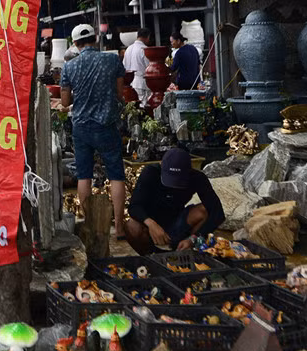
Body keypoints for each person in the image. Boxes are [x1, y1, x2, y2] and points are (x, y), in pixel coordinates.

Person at [59, 24, 127, 239]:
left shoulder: (69, 67)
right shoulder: (112, 60)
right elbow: (119, 93)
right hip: (107, 125)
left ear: (76, 44)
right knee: (116, 176)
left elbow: (65, 101)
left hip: (82, 128)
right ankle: (120, 228)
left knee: (84, 176)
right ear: (95, 39)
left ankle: (89, 225)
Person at [125, 147, 225, 254]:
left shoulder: (197, 178)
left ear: (189, 171)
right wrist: (150, 223)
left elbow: (217, 213)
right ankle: (151, 255)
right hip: (151, 226)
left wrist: (193, 239)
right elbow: (134, 206)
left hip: (177, 222)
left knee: (203, 210)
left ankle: (186, 251)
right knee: (132, 226)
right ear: (161, 165)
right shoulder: (150, 173)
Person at [122, 28, 151, 104]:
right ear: (147, 37)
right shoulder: (144, 49)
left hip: (130, 84)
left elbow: (124, 66)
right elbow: (149, 68)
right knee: (143, 106)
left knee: (132, 107)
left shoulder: (128, 49)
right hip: (142, 83)